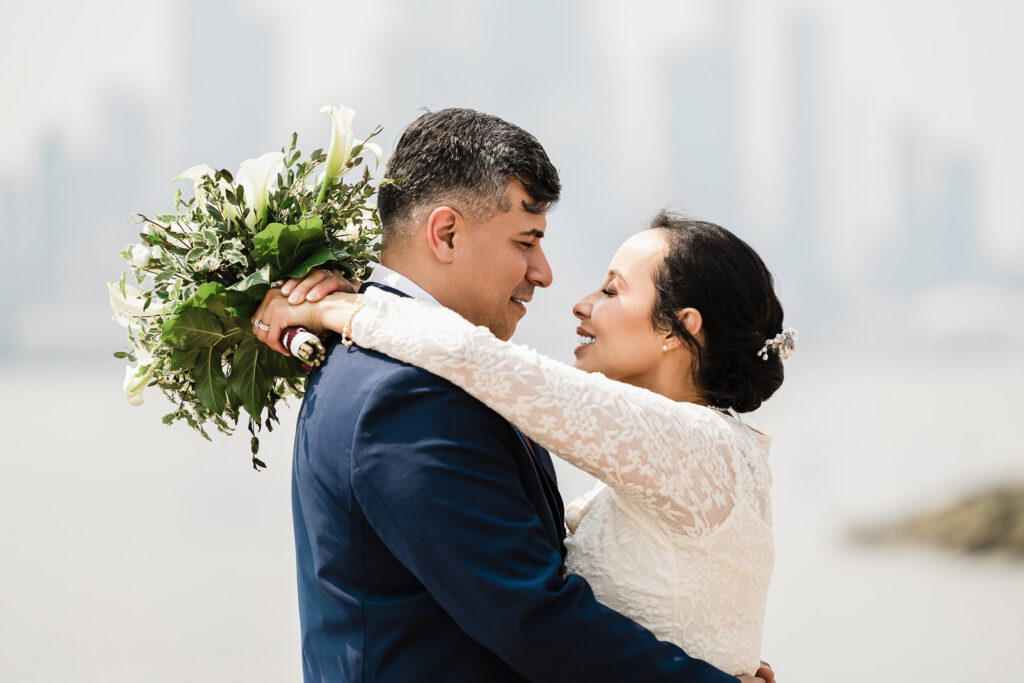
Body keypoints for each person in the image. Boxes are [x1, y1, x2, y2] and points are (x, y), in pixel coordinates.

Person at [253, 108, 774, 682]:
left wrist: (345, 308)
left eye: (611, 289)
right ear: (446, 233)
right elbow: (532, 618)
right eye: (527, 241)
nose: (547, 276)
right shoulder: (404, 392)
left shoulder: (395, 359)